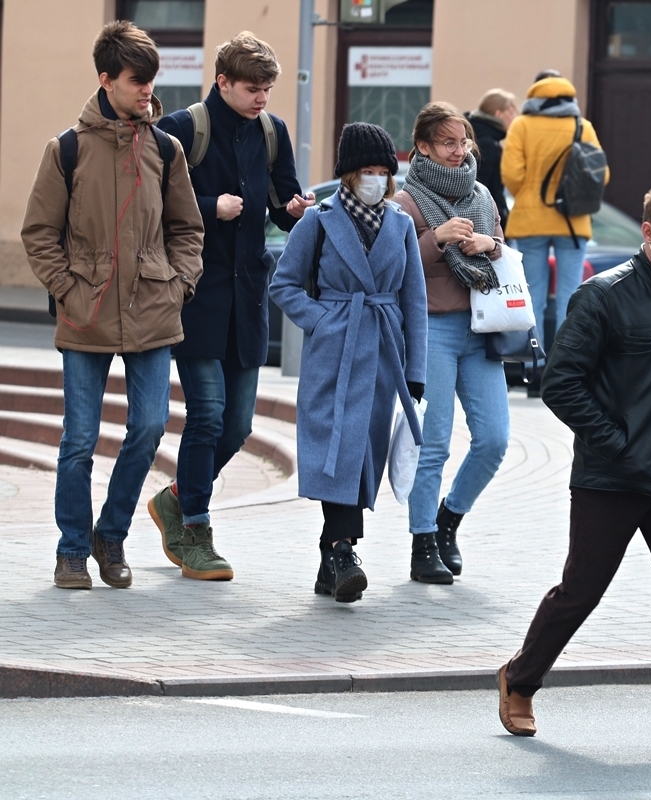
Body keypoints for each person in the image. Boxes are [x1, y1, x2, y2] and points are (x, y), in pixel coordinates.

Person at [498, 185, 651, 758]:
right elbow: (561, 384)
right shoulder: (602, 296)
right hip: (609, 479)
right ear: (650, 233)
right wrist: (616, 443)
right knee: (581, 591)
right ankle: (520, 679)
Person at [21, 21, 204, 589]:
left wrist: (178, 284)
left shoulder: (166, 149)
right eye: (135, 81)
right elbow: (39, 233)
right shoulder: (67, 149)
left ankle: (111, 535)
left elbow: (188, 229)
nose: (148, 91)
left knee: (148, 428)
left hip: (153, 309)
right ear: (106, 80)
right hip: (86, 311)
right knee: (79, 441)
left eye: (151, 80)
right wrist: (68, 289)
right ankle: (72, 550)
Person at [150, 32, 313, 582]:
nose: (262, 98)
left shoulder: (272, 131)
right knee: (208, 414)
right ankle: (196, 529)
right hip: (196, 296)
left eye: (267, 90)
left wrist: (295, 210)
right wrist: (207, 206)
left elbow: (283, 204)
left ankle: (176, 497)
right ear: (222, 82)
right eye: (252, 89)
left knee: (238, 425)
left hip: (247, 299)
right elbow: (151, 205)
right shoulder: (181, 129)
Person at [269, 123, 427, 603]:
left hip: (380, 352)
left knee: (361, 456)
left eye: (383, 171)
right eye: (368, 170)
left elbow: (414, 301)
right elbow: (283, 284)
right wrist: (322, 320)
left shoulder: (401, 225)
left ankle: (331, 559)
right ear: (349, 173)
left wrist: (415, 371)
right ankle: (343, 552)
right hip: (333, 352)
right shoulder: (317, 222)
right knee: (335, 453)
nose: (377, 179)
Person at [397, 101, 508, 585]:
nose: (459, 150)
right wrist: (435, 239)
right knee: (434, 443)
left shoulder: (482, 195)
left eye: (463, 141)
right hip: (433, 330)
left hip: (482, 328)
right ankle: (423, 541)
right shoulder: (406, 202)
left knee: (494, 439)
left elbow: (503, 251)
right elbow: (395, 268)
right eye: (447, 142)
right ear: (423, 147)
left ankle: (449, 519)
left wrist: (490, 245)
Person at [501, 71, 608, 396]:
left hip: (530, 220)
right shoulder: (582, 126)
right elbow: (601, 174)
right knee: (571, 296)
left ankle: (534, 370)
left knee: (532, 296)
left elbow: (511, 174)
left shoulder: (521, 125)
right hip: (572, 221)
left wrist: (529, 195)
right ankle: (565, 371)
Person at [466, 89, 518, 231]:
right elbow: (482, 187)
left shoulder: (475, 134)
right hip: (485, 223)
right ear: (498, 114)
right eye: (511, 112)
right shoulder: (487, 144)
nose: (514, 118)